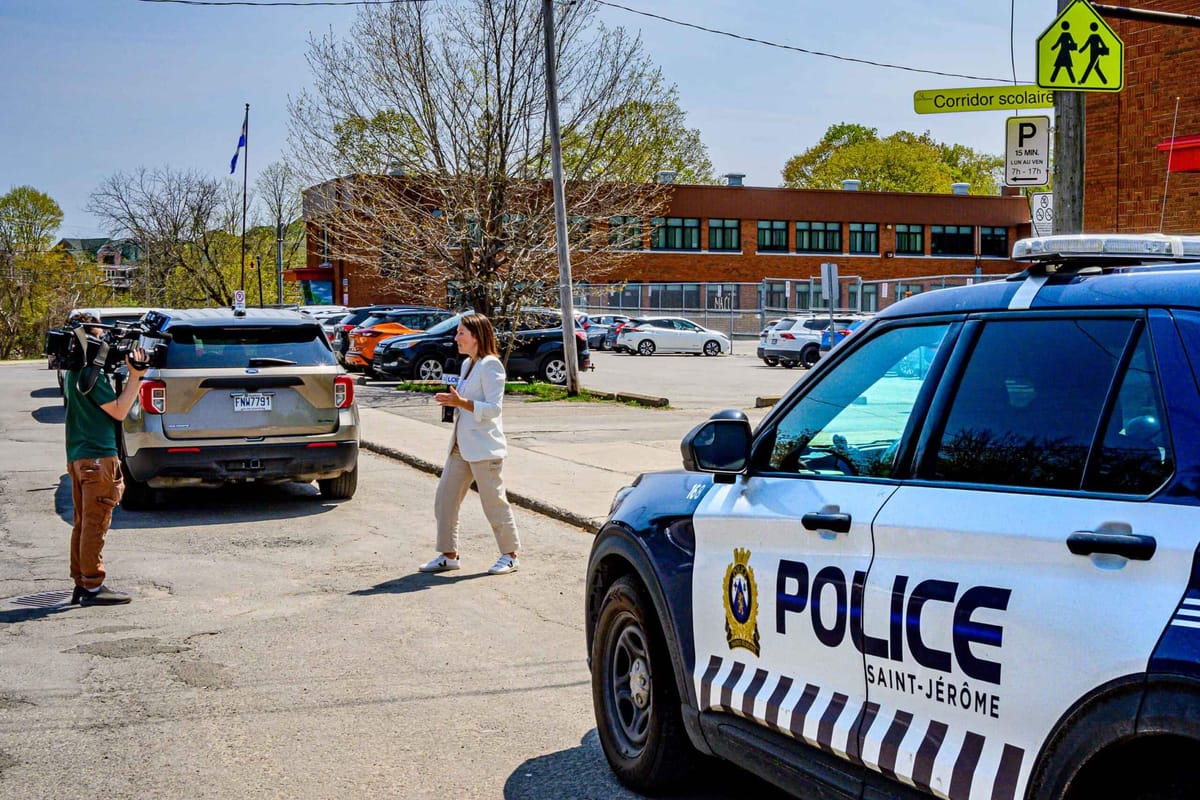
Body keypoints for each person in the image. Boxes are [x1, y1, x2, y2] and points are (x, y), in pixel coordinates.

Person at [420, 313, 521, 576]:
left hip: (484, 448)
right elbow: (464, 400)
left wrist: (461, 403)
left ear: (476, 336)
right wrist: (453, 401)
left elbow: (494, 409)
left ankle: (510, 555)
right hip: (461, 445)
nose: (456, 338)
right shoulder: (467, 365)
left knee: (493, 503)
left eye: (461, 333)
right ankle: (448, 554)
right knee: (445, 499)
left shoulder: (491, 366)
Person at [63, 313, 148, 606]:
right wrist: (136, 376)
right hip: (98, 458)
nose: (105, 344)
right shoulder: (92, 376)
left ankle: (81, 580)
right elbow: (120, 411)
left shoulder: (73, 372)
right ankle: (92, 585)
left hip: (79, 457)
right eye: (100, 337)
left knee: (83, 522)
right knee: (95, 523)